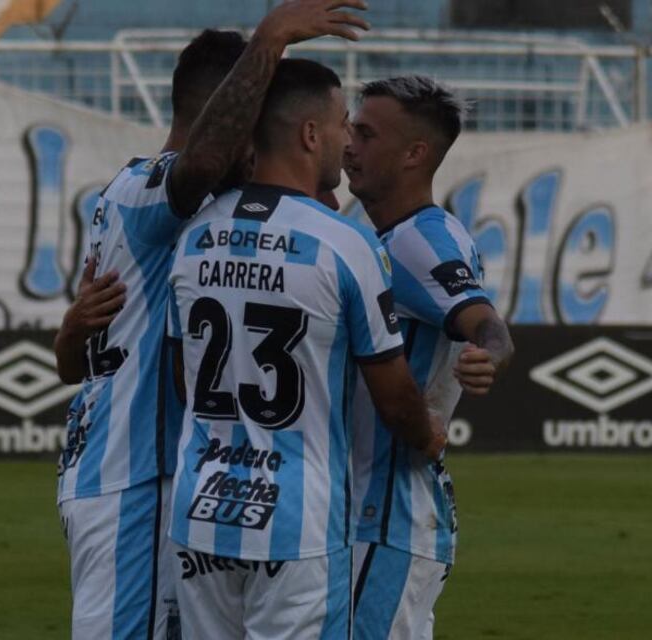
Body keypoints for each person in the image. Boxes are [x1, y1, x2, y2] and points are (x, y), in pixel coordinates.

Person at [52, 3, 371, 638]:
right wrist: (272, 37)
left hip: (128, 474)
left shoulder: (134, 198)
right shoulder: (161, 189)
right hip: (135, 479)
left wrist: (68, 332)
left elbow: (76, 360)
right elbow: (201, 164)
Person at [167, 58, 446, 640]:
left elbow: (182, 379)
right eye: (343, 123)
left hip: (201, 512)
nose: (348, 139)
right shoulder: (346, 245)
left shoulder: (193, 236)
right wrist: (430, 434)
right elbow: (394, 398)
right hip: (297, 522)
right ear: (309, 134)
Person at [344, 75, 514, 639]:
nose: (349, 145)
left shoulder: (420, 241)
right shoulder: (383, 234)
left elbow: (487, 324)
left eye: (366, 134)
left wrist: (486, 354)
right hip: (369, 512)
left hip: (387, 512)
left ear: (415, 153)